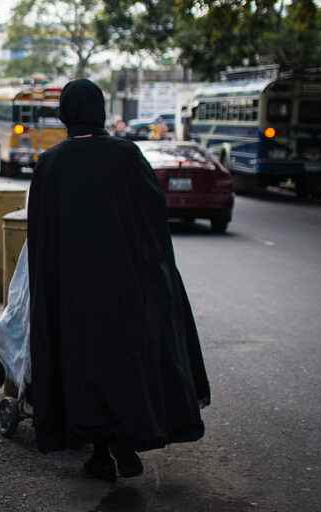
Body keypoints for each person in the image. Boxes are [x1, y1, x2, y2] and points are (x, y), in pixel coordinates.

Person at [27, 79, 210, 482]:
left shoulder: (51, 164)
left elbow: (39, 237)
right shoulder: (127, 156)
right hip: (127, 286)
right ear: (100, 110)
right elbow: (153, 223)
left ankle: (98, 453)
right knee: (125, 362)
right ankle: (125, 441)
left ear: (65, 115)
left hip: (73, 291)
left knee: (82, 365)